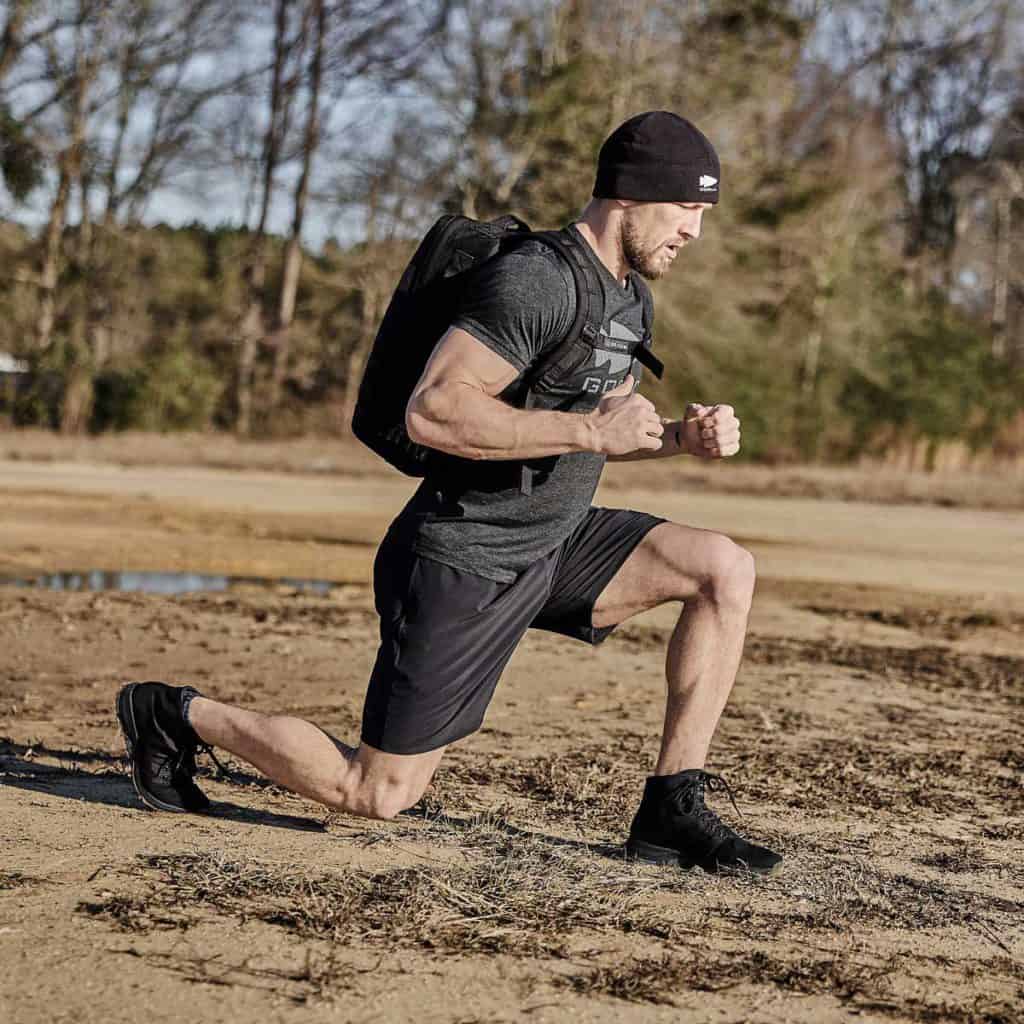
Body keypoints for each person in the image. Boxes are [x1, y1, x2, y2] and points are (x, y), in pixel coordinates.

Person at [117, 111, 782, 875]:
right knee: (375, 791)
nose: (696, 231)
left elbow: (596, 427)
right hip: (465, 555)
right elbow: (435, 410)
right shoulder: (536, 281)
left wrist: (675, 437)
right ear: (629, 196)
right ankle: (176, 714)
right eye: (687, 210)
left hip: (555, 541)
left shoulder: (630, 300)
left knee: (723, 568)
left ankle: (670, 809)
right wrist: (593, 436)